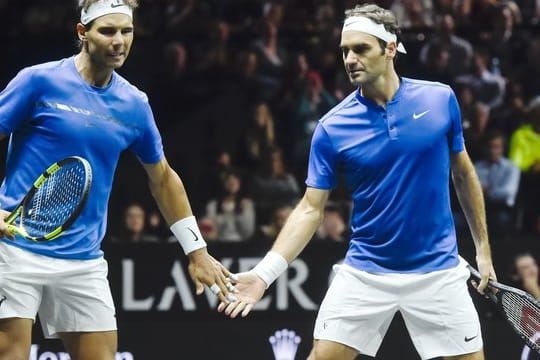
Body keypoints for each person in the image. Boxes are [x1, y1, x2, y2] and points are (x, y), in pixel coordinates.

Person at [219, 4, 496, 360]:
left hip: (438, 272)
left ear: (390, 49)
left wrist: (483, 250)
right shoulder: (332, 127)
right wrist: (263, 275)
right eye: (345, 50)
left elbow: (463, 171)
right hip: (366, 272)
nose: (350, 59)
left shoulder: (440, 99)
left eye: (361, 49)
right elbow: (310, 208)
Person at [0, 1, 235, 359]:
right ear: (83, 33)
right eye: (107, 31)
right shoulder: (38, 82)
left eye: (126, 31)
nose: (119, 41)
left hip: (83, 259)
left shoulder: (134, 104)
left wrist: (196, 251)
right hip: (14, 249)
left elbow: (163, 179)